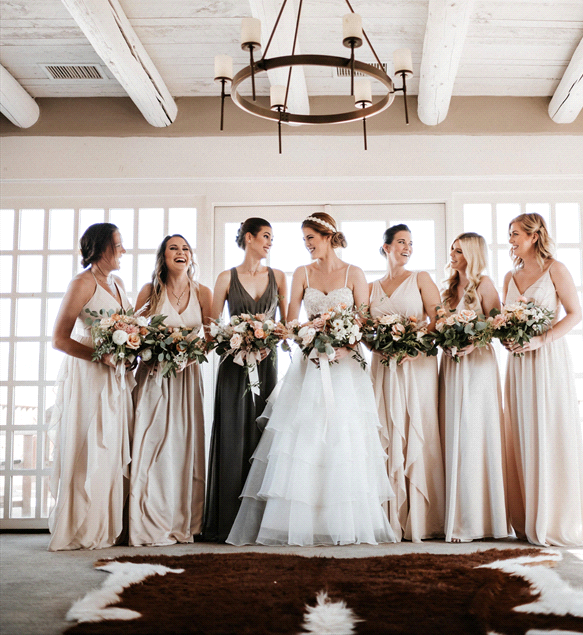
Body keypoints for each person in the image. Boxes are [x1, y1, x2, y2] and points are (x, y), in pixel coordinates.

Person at [227, 211, 395, 546]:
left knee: (343, 439)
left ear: (328, 237)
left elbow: (363, 322)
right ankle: (302, 523)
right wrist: (308, 333)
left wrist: (345, 346)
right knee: (305, 439)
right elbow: (291, 321)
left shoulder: (354, 273)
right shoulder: (302, 273)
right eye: (304, 239)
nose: (306, 245)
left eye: (310, 238)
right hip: (311, 365)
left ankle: (343, 522)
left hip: (345, 368)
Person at [503, 212, 583, 546]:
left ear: (534, 236)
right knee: (522, 429)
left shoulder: (556, 269)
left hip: (547, 358)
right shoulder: (509, 276)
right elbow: (504, 319)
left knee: (549, 428)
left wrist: (541, 339)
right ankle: (527, 518)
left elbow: (575, 314)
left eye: (515, 233)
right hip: (518, 361)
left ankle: (554, 518)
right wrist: (506, 337)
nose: (511, 240)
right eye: (510, 234)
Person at [48, 223, 134, 551]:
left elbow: (127, 327)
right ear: (100, 248)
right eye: (118, 244)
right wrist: (102, 357)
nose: (123, 250)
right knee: (88, 446)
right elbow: (59, 339)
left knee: (110, 446)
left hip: (116, 376)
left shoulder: (118, 283)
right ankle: (80, 527)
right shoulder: (82, 283)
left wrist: (131, 352)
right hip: (89, 374)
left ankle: (104, 526)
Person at [202, 218, 287, 542]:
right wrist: (238, 340)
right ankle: (227, 521)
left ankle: (262, 524)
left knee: (263, 435)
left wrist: (268, 339)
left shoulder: (279, 277)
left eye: (272, 238)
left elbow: (286, 327)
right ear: (248, 238)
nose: (269, 243)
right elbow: (212, 331)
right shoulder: (226, 278)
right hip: (234, 368)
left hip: (267, 366)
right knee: (233, 435)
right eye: (265, 236)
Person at [129, 234, 212, 545]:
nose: (181, 253)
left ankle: (183, 520)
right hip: (153, 376)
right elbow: (134, 332)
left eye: (185, 248)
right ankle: (145, 522)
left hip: (187, 379)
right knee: (150, 445)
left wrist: (187, 358)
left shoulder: (203, 292)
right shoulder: (150, 291)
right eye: (173, 248)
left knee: (183, 447)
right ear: (163, 257)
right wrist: (153, 352)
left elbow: (211, 338)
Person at [369, 224, 445, 542]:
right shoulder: (371, 287)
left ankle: (422, 519)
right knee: (387, 429)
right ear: (386, 247)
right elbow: (367, 331)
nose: (407, 248)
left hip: (417, 364)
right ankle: (388, 517)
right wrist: (381, 347)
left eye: (410, 243)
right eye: (401, 242)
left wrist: (412, 345)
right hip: (385, 367)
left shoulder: (421, 279)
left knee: (418, 428)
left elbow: (438, 319)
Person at [438, 233, 510, 542]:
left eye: (458, 251)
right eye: (452, 250)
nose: (452, 255)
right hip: (452, 366)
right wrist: (445, 342)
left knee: (473, 435)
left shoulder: (484, 284)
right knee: (453, 433)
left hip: (478, 365)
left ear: (472, 254)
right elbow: (440, 326)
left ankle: (475, 521)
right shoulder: (449, 288)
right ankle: (456, 516)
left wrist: (473, 342)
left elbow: (498, 325)